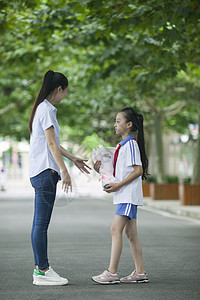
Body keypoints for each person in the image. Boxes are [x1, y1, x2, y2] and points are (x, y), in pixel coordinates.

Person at [29, 70, 91, 286]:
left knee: (40, 223)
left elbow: (53, 141)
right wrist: (64, 171)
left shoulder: (43, 109)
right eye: (65, 91)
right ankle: (42, 270)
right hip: (46, 172)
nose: (65, 95)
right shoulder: (46, 110)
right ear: (59, 89)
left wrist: (73, 159)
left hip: (42, 172)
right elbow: (51, 144)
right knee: (41, 224)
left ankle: (41, 269)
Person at [92, 107, 149, 284]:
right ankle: (140, 273)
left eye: (118, 121)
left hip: (128, 196)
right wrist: (99, 169)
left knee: (115, 230)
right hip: (125, 195)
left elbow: (138, 170)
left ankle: (111, 272)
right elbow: (121, 171)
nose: (115, 125)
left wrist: (118, 185)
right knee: (130, 234)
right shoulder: (122, 145)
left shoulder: (131, 145)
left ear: (129, 124)